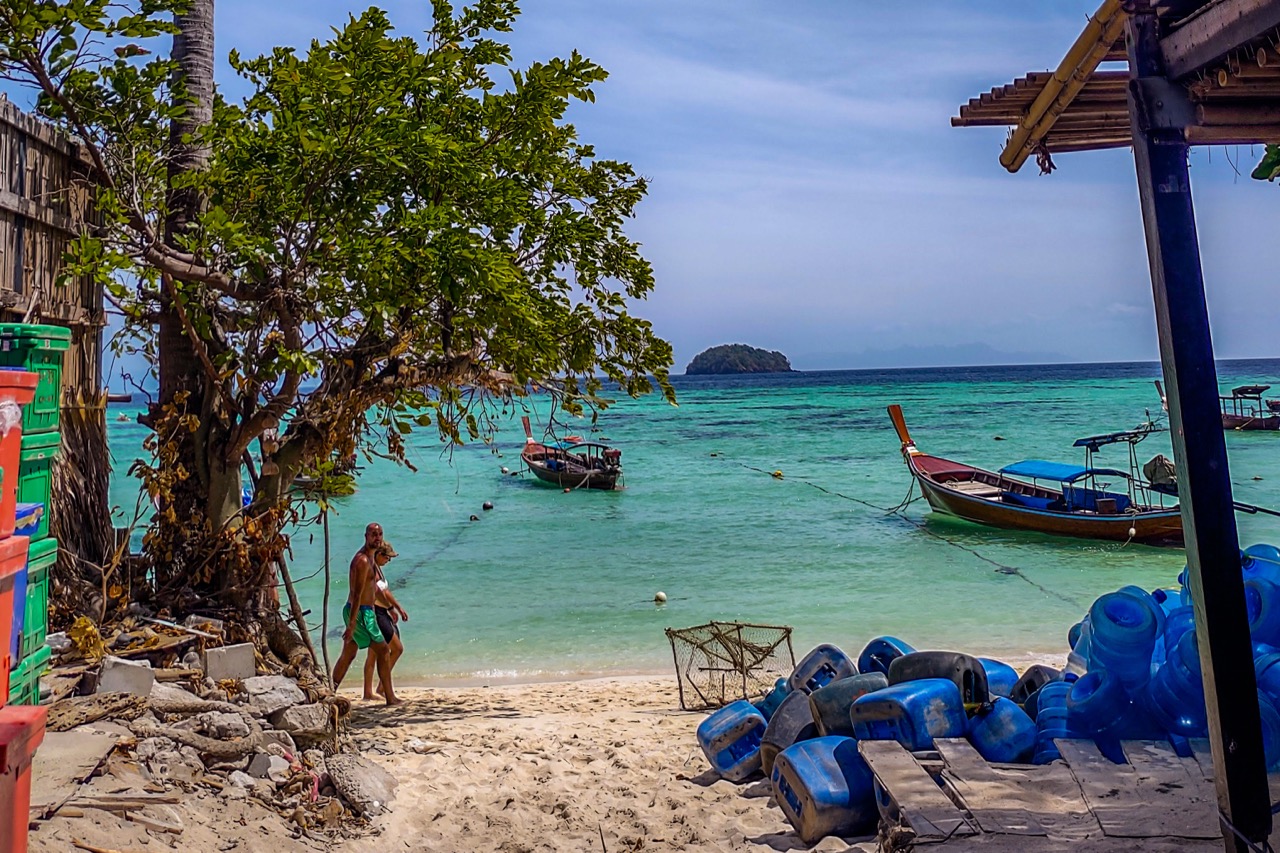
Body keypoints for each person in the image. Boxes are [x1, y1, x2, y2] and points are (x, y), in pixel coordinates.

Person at [332, 523, 403, 705]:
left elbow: (375, 590)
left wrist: (389, 608)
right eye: (373, 534)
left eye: (380, 534)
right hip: (362, 612)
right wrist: (352, 623)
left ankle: (330, 690)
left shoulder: (371, 558)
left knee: (349, 654)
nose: (377, 538)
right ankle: (390, 697)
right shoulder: (363, 560)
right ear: (366, 536)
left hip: (363, 611)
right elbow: (356, 593)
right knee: (384, 650)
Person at [362, 541, 408, 700]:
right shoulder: (372, 569)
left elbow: (385, 591)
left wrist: (394, 608)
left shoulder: (377, 568)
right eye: (388, 558)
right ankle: (381, 688)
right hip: (377, 612)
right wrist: (393, 608)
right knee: (396, 649)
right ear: (379, 555)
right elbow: (380, 592)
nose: (389, 561)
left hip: (382, 611)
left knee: (374, 653)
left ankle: (369, 692)